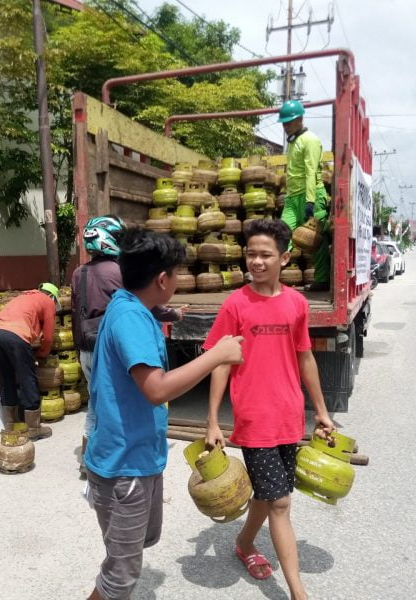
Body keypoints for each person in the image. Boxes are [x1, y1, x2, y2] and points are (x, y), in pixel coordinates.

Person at [84, 229, 244, 600]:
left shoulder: (130, 306)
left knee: (135, 549)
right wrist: (215, 356)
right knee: (121, 574)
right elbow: (155, 389)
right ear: (162, 279)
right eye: (176, 274)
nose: (178, 281)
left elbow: (148, 312)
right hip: (124, 466)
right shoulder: (131, 319)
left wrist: (166, 312)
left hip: (137, 458)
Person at [203, 219, 334, 600]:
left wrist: (321, 411)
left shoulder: (296, 304)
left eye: (265, 255)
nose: (256, 262)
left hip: (289, 415)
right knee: (280, 501)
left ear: (284, 258)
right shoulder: (235, 304)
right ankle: (297, 592)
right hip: (255, 417)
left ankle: (244, 543)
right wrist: (212, 419)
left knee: (268, 490)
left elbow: (305, 358)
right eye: (251, 254)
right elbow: (220, 363)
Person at [71, 215, 184, 476]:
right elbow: (148, 300)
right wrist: (174, 315)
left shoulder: (79, 272)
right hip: (117, 349)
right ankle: (106, 459)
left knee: (99, 404)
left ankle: (90, 460)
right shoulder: (118, 277)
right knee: (118, 406)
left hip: (87, 348)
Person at [0, 282, 60, 440]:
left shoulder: (24, 297)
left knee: (6, 377)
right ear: (52, 296)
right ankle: (33, 428)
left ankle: (10, 424)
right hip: (15, 335)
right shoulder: (48, 302)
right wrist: (41, 355)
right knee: (28, 377)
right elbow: (47, 337)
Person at [278, 99, 331, 292]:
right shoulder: (293, 143)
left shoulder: (311, 140)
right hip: (293, 198)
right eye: (284, 123)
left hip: (312, 195)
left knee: (317, 240)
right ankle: (269, 276)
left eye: (289, 122)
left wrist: (310, 201)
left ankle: (322, 279)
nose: (286, 126)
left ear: (300, 119)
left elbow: (310, 171)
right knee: (281, 233)